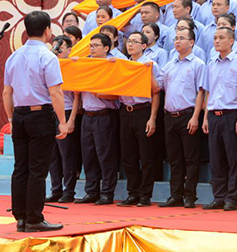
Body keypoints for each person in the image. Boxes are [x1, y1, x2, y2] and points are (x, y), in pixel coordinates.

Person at [3, 11, 67, 233]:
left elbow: (6, 92)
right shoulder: (47, 57)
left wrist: (11, 118)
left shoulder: (13, 57)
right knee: (37, 169)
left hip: (19, 115)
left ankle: (20, 217)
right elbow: (56, 92)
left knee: (20, 167)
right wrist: (63, 121)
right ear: (48, 31)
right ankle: (34, 218)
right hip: (40, 115)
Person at [202, 27, 237, 210]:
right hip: (214, 114)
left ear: (231, 41)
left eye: (221, 38)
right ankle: (218, 196)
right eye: (215, 38)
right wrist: (205, 118)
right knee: (216, 158)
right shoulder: (211, 63)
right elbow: (208, 92)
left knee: (233, 158)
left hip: (232, 113)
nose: (216, 41)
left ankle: (232, 198)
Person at [160, 27, 206, 208]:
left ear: (192, 42)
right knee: (174, 159)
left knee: (190, 158)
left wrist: (195, 117)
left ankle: (190, 195)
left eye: (181, 38)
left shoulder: (198, 64)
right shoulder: (169, 65)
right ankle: (175, 195)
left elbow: (201, 92)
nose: (177, 41)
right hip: (169, 116)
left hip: (188, 115)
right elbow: (159, 87)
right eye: (176, 38)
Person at [117, 31, 162, 207]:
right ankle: (132, 193)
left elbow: (156, 91)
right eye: (129, 41)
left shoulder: (150, 64)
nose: (130, 44)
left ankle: (145, 194)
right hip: (125, 111)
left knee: (146, 155)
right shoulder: (123, 64)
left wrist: (152, 118)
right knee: (128, 155)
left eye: (135, 42)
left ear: (144, 46)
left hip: (143, 111)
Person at [74, 33, 119, 205]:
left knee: (105, 155)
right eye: (90, 46)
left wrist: (98, 92)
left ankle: (107, 192)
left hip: (104, 115)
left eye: (96, 45)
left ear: (106, 48)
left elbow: (117, 95)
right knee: (88, 155)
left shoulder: (112, 65)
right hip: (87, 115)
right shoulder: (85, 65)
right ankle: (91, 191)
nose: (92, 48)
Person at [46, 36, 80, 204]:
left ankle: (69, 190)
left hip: (65, 113)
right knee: (52, 155)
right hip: (49, 113)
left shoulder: (73, 66)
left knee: (67, 155)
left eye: (61, 48)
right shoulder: (48, 66)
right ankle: (56, 189)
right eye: (55, 48)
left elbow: (77, 97)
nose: (57, 51)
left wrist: (71, 119)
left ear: (69, 50)